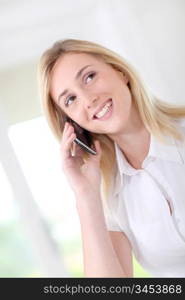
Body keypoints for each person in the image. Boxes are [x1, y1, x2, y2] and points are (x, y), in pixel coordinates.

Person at [38, 39, 185, 278]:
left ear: (119, 71)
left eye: (89, 77)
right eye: (70, 100)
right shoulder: (109, 196)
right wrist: (87, 197)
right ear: (72, 124)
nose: (87, 99)